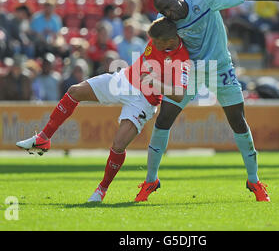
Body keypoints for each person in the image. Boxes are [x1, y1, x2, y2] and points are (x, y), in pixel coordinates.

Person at [135, 0, 279, 203]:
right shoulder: (164, 19)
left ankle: (254, 180)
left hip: (221, 68)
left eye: (169, 7)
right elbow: (159, 45)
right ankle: (150, 180)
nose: (169, 14)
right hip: (190, 70)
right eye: (163, 11)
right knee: (164, 119)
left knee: (238, 122)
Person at [16, 17, 191, 203]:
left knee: (118, 145)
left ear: (171, 41)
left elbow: (179, 95)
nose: (153, 44)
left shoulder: (183, 60)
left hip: (144, 101)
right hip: (123, 80)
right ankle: (43, 139)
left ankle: (101, 190)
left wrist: (154, 83)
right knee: (74, 91)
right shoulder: (161, 33)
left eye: (157, 42)